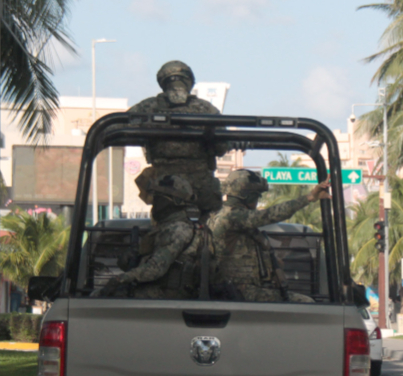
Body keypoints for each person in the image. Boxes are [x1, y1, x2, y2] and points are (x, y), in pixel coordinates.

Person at [209, 169, 330, 302]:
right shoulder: (231, 216)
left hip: (241, 289)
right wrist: (309, 198)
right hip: (239, 291)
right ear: (249, 197)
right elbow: (270, 215)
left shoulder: (226, 216)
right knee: (306, 303)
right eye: (256, 197)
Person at [128, 61, 227, 215]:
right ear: (189, 80)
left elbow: (119, 127)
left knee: (162, 233)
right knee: (213, 233)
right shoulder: (206, 109)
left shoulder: (147, 108)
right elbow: (221, 147)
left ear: (163, 81)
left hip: (166, 191)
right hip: (202, 190)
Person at [96, 170, 208, 299]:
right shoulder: (163, 228)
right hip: (156, 289)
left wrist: (121, 279)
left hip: (168, 293)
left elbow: (155, 269)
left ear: (175, 201)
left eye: (158, 198)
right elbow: (141, 265)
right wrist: (129, 259)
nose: (154, 203)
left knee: (100, 297)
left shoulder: (179, 230)